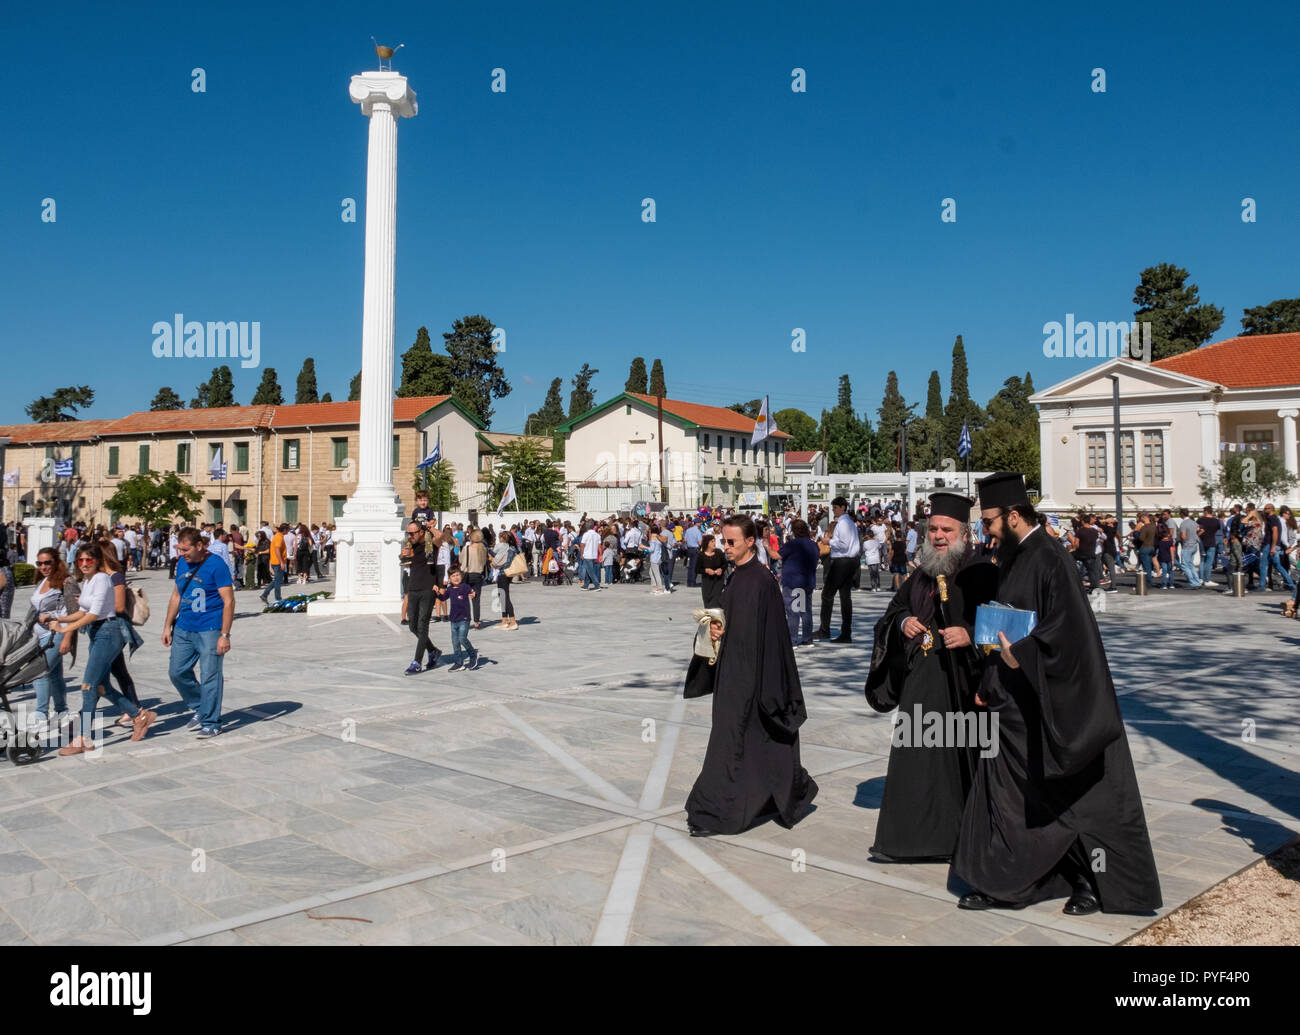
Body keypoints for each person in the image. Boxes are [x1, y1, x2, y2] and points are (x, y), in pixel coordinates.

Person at [953, 472, 1161, 916]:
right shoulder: (1012, 557)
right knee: (1009, 799)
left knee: (1076, 798)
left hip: (1051, 701)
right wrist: (990, 682)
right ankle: (1009, 882)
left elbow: (1068, 632)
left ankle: (1088, 880)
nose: (983, 531)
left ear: (1012, 516)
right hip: (1013, 699)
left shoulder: (1051, 558)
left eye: (988, 521)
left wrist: (1020, 655)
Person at [864, 493, 998, 861]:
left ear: (963, 533)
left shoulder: (981, 571)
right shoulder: (921, 574)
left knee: (961, 759)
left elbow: (1002, 621)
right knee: (917, 759)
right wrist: (904, 622)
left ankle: (961, 838)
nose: (939, 535)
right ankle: (910, 840)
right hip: (923, 679)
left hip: (964, 682)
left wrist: (970, 634)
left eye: (946, 529)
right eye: (933, 529)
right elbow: (895, 612)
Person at [685, 514, 819, 837]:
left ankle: (719, 810)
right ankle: (745, 800)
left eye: (731, 542)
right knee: (736, 742)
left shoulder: (761, 581)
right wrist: (716, 630)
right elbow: (734, 623)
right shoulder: (737, 577)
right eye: (723, 541)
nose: (725, 547)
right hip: (732, 675)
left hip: (752, 680)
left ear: (750, 541)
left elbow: (774, 638)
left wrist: (767, 686)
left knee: (739, 743)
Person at [50, 544, 156, 754]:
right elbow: (82, 611)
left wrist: (65, 629)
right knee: (101, 686)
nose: (84, 564)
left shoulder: (101, 579)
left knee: (88, 685)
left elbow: (93, 613)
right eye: (80, 560)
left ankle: (84, 738)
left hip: (109, 631)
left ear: (97, 560)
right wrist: (58, 618)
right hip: (97, 632)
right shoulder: (88, 581)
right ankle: (138, 715)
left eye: (89, 560)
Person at [162, 527, 235, 738]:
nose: (181, 553)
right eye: (179, 549)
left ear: (199, 546)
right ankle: (201, 707)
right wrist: (167, 625)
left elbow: (229, 600)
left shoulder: (216, 565)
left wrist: (225, 634)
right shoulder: (182, 563)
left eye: (185, 549)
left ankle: (211, 722)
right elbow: (176, 595)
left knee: (210, 675)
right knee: (177, 672)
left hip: (210, 628)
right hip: (184, 626)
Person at [27, 548, 73, 734]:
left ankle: (41, 714)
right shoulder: (43, 581)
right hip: (39, 635)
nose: (43, 567)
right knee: (54, 675)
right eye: (40, 563)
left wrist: (67, 639)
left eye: (47, 563)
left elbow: (73, 612)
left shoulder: (66, 582)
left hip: (57, 634)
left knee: (40, 672)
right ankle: (62, 712)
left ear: (56, 562)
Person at [815, 497, 860, 644]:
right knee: (845, 597)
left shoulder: (843, 523)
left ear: (842, 507)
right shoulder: (851, 523)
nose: (833, 510)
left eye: (835, 508)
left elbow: (844, 544)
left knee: (827, 595)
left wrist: (829, 541)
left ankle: (824, 630)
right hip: (851, 561)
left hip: (842, 561)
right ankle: (846, 632)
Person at [400, 521, 442, 674]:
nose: (409, 536)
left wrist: (430, 527)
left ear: (421, 532)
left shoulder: (431, 545)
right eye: (408, 533)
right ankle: (433, 650)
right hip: (413, 588)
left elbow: (441, 536)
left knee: (423, 624)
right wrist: (403, 554)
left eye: (412, 533)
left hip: (427, 589)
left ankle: (417, 662)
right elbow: (403, 558)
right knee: (413, 626)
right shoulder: (411, 546)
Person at [778, 518, 819, 648]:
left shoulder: (793, 544)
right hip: (807, 581)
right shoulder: (813, 544)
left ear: (794, 530)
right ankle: (807, 638)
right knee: (805, 611)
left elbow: (777, 556)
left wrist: (767, 546)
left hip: (793, 581)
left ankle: (792, 639)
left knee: (793, 611)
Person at [436, 567, 478, 671]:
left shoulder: (465, 587)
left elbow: (473, 592)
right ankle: (459, 663)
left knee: (462, 638)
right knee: (455, 642)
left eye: (458, 575)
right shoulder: (449, 589)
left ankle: (473, 655)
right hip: (453, 620)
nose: (456, 578)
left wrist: (474, 594)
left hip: (464, 619)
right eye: (453, 576)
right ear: (449, 579)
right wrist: (436, 592)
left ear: (461, 576)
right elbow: (443, 598)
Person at [490, 531, 519, 630]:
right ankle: (504, 620)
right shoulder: (513, 548)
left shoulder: (508, 548)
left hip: (504, 573)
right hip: (504, 574)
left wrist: (495, 560)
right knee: (501, 595)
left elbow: (505, 563)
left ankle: (513, 621)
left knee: (505, 596)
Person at [260, 524, 287, 604]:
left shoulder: (278, 536)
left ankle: (265, 594)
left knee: (277, 580)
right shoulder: (279, 537)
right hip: (278, 562)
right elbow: (277, 550)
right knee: (278, 581)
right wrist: (281, 562)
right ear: (284, 530)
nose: (288, 531)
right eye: (287, 529)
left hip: (276, 561)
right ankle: (277, 598)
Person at [698, 533, 726, 609]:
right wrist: (706, 570)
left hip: (718, 580)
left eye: (714, 541)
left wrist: (721, 569)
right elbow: (697, 569)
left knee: (715, 599)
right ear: (707, 543)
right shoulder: (701, 555)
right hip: (707, 581)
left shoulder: (719, 552)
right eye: (712, 541)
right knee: (707, 600)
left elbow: (725, 564)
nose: (714, 543)